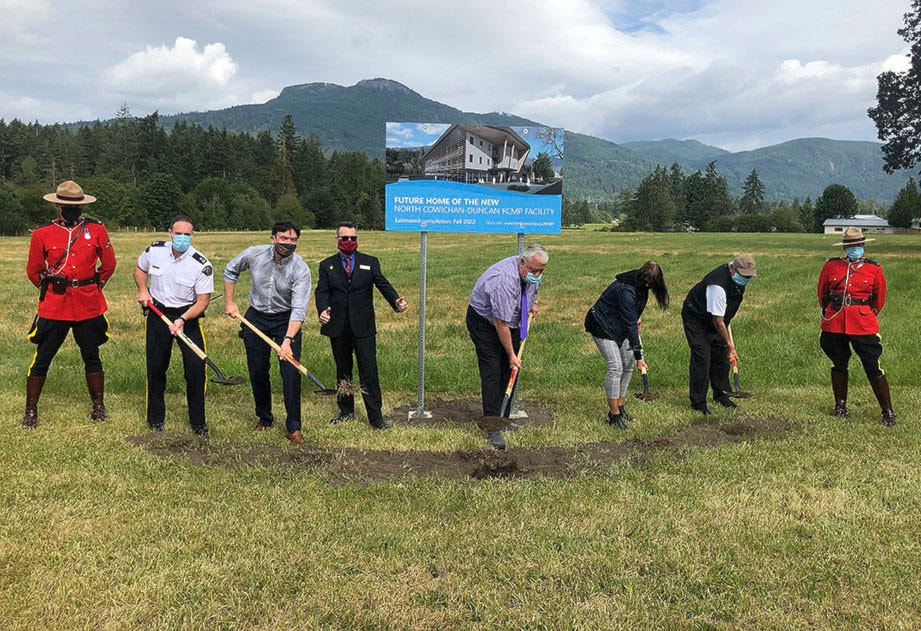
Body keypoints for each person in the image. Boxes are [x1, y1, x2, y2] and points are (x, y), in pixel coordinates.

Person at [23, 180, 117, 428]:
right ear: (58, 205)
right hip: (56, 304)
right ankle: (31, 411)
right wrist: (52, 287)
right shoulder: (42, 233)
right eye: (67, 205)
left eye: (76, 205)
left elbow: (108, 265)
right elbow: (34, 270)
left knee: (92, 355)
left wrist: (95, 286)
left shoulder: (96, 230)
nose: (72, 210)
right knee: (43, 356)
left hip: (87, 302)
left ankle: (98, 406)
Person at [224, 220, 312, 444]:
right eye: (284, 239)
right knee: (257, 370)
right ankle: (264, 418)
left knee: (291, 373)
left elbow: (299, 309)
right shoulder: (254, 254)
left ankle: (294, 427)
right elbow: (231, 270)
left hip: (285, 319)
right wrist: (230, 302)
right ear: (273, 238)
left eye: (293, 240)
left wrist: (288, 340)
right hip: (255, 317)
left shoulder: (300, 268)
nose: (289, 244)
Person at [315, 222, 407, 430]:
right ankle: (346, 410)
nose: (349, 242)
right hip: (338, 327)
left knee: (369, 371)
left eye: (353, 238)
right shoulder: (326, 265)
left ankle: (376, 417)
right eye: (345, 238)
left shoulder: (370, 262)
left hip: (363, 327)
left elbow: (382, 284)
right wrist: (322, 310)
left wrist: (396, 301)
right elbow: (322, 292)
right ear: (337, 239)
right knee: (343, 370)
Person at [135, 216, 213, 435]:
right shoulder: (155, 250)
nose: (182, 238)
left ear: (192, 236)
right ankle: (155, 420)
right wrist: (143, 289)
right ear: (170, 233)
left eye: (187, 235)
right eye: (178, 234)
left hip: (187, 317)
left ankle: (198, 422)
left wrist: (182, 320)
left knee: (196, 369)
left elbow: (203, 301)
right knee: (156, 367)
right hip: (158, 314)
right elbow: (140, 270)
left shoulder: (201, 264)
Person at [466, 244, 546, 450]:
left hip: (510, 321)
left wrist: (532, 304)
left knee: (511, 370)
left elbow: (529, 293)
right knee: (493, 369)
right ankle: (492, 426)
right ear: (522, 263)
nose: (537, 275)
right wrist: (511, 353)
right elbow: (500, 322)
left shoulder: (532, 271)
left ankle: (504, 418)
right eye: (534, 270)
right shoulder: (503, 280)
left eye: (541, 271)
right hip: (485, 322)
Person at [818, 226, 896, 426]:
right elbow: (822, 293)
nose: (855, 248)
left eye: (858, 245)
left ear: (863, 245)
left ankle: (887, 411)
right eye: (851, 246)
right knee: (839, 362)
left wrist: (864, 313)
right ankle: (840, 406)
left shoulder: (874, 268)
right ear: (845, 248)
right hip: (835, 321)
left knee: (872, 365)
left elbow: (879, 300)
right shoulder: (831, 266)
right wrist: (830, 311)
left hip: (863, 323)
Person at [585, 261, 669, 429]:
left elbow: (632, 320)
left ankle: (620, 407)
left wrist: (636, 319)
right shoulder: (626, 290)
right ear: (641, 276)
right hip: (601, 325)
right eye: (645, 281)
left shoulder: (642, 288)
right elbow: (630, 325)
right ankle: (614, 416)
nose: (647, 285)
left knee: (628, 365)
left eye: (650, 284)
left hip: (620, 325)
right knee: (616, 367)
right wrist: (639, 356)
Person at [681, 254, 757, 415]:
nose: (746, 279)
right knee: (702, 357)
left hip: (718, 318)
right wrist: (731, 346)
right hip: (696, 317)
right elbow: (718, 321)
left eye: (749, 276)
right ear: (732, 269)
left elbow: (725, 318)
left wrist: (726, 346)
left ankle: (721, 395)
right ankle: (698, 403)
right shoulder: (717, 286)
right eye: (744, 276)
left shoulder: (736, 282)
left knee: (721, 357)